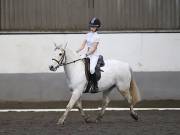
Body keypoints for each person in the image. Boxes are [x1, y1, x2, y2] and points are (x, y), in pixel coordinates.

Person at [76, 17, 101, 92]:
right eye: (91, 26)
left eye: (93, 27)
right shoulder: (87, 35)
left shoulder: (97, 36)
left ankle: (95, 86)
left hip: (94, 55)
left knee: (91, 69)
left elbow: (93, 49)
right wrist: (76, 51)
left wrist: (86, 54)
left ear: (97, 27)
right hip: (87, 54)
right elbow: (82, 46)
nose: (92, 28)